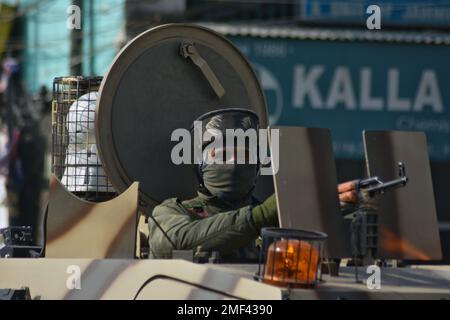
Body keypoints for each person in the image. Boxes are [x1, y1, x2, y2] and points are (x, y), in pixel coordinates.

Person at [148, 108, 358, 260]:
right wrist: (261, 216)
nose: (233, 163)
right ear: (200, 164)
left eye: (244, 155)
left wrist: (331, 213)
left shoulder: (279, 220)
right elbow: (174, 242)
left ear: (258, 165)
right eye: (221, 154)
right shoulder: (170, 212)